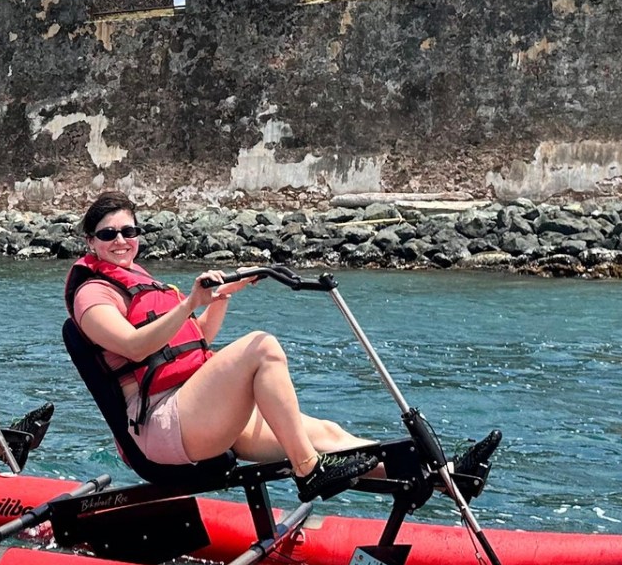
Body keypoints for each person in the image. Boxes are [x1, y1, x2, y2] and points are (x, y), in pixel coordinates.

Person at [65, 191, 385, 502]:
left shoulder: (142, 280)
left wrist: (222, 295)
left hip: (199, 409)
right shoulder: (93, 294)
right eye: (108, 234)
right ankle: (308, 470)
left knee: (331, 436)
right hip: (161, 423)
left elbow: (198, 336)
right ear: (91, 241)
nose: (120, 240)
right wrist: (190, 302)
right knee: (261, 347)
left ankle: (428, 476)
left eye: (128, 231)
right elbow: (134, 347)